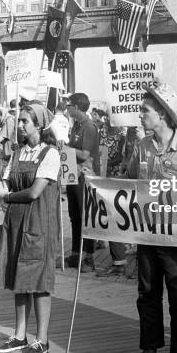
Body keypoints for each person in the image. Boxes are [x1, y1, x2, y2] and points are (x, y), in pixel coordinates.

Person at [119, 81, 177, 353]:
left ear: (164, 116)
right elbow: (128, 182)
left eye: (146, 111)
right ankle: (149, 351)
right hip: (146, 235)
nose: (140, 116)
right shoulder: (141, 147)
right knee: (147, 295)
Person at [0, 103, 60, 353]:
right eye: (20, 120)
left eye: (25, 121)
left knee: (38, 280)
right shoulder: (17, 152)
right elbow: (2, 190)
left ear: (39, 124)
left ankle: (42, 339)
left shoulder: (50, 153)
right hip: (15, 222)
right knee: (18, 277)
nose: (20, 125)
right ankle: (19, 335)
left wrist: (11, 196)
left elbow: (35, 191)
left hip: (38, 223)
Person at [65, 92, 100, 273]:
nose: (67, 109)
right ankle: (75, 254)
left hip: (85, 177)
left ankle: (88, 257)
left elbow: (85, 154)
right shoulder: (77, 126)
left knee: (86, 217)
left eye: (69, 106)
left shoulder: (89, 127)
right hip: (72, 175)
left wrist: (66, 148)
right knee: (74, 216)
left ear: (76, 107)